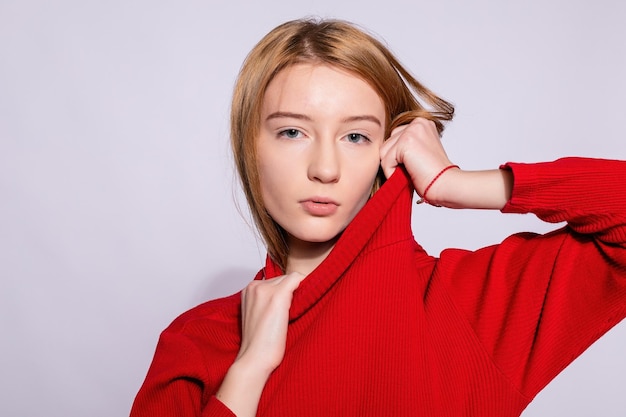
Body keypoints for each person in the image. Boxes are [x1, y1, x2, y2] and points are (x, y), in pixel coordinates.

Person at [130, 18, 626, 417]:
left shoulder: (469, 305)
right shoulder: (199, 340)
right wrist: (249, 371)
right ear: (249, 147)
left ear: (390, 147)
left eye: (356, 137)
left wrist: (454, 184)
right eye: (291, 133)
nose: (324, 169)